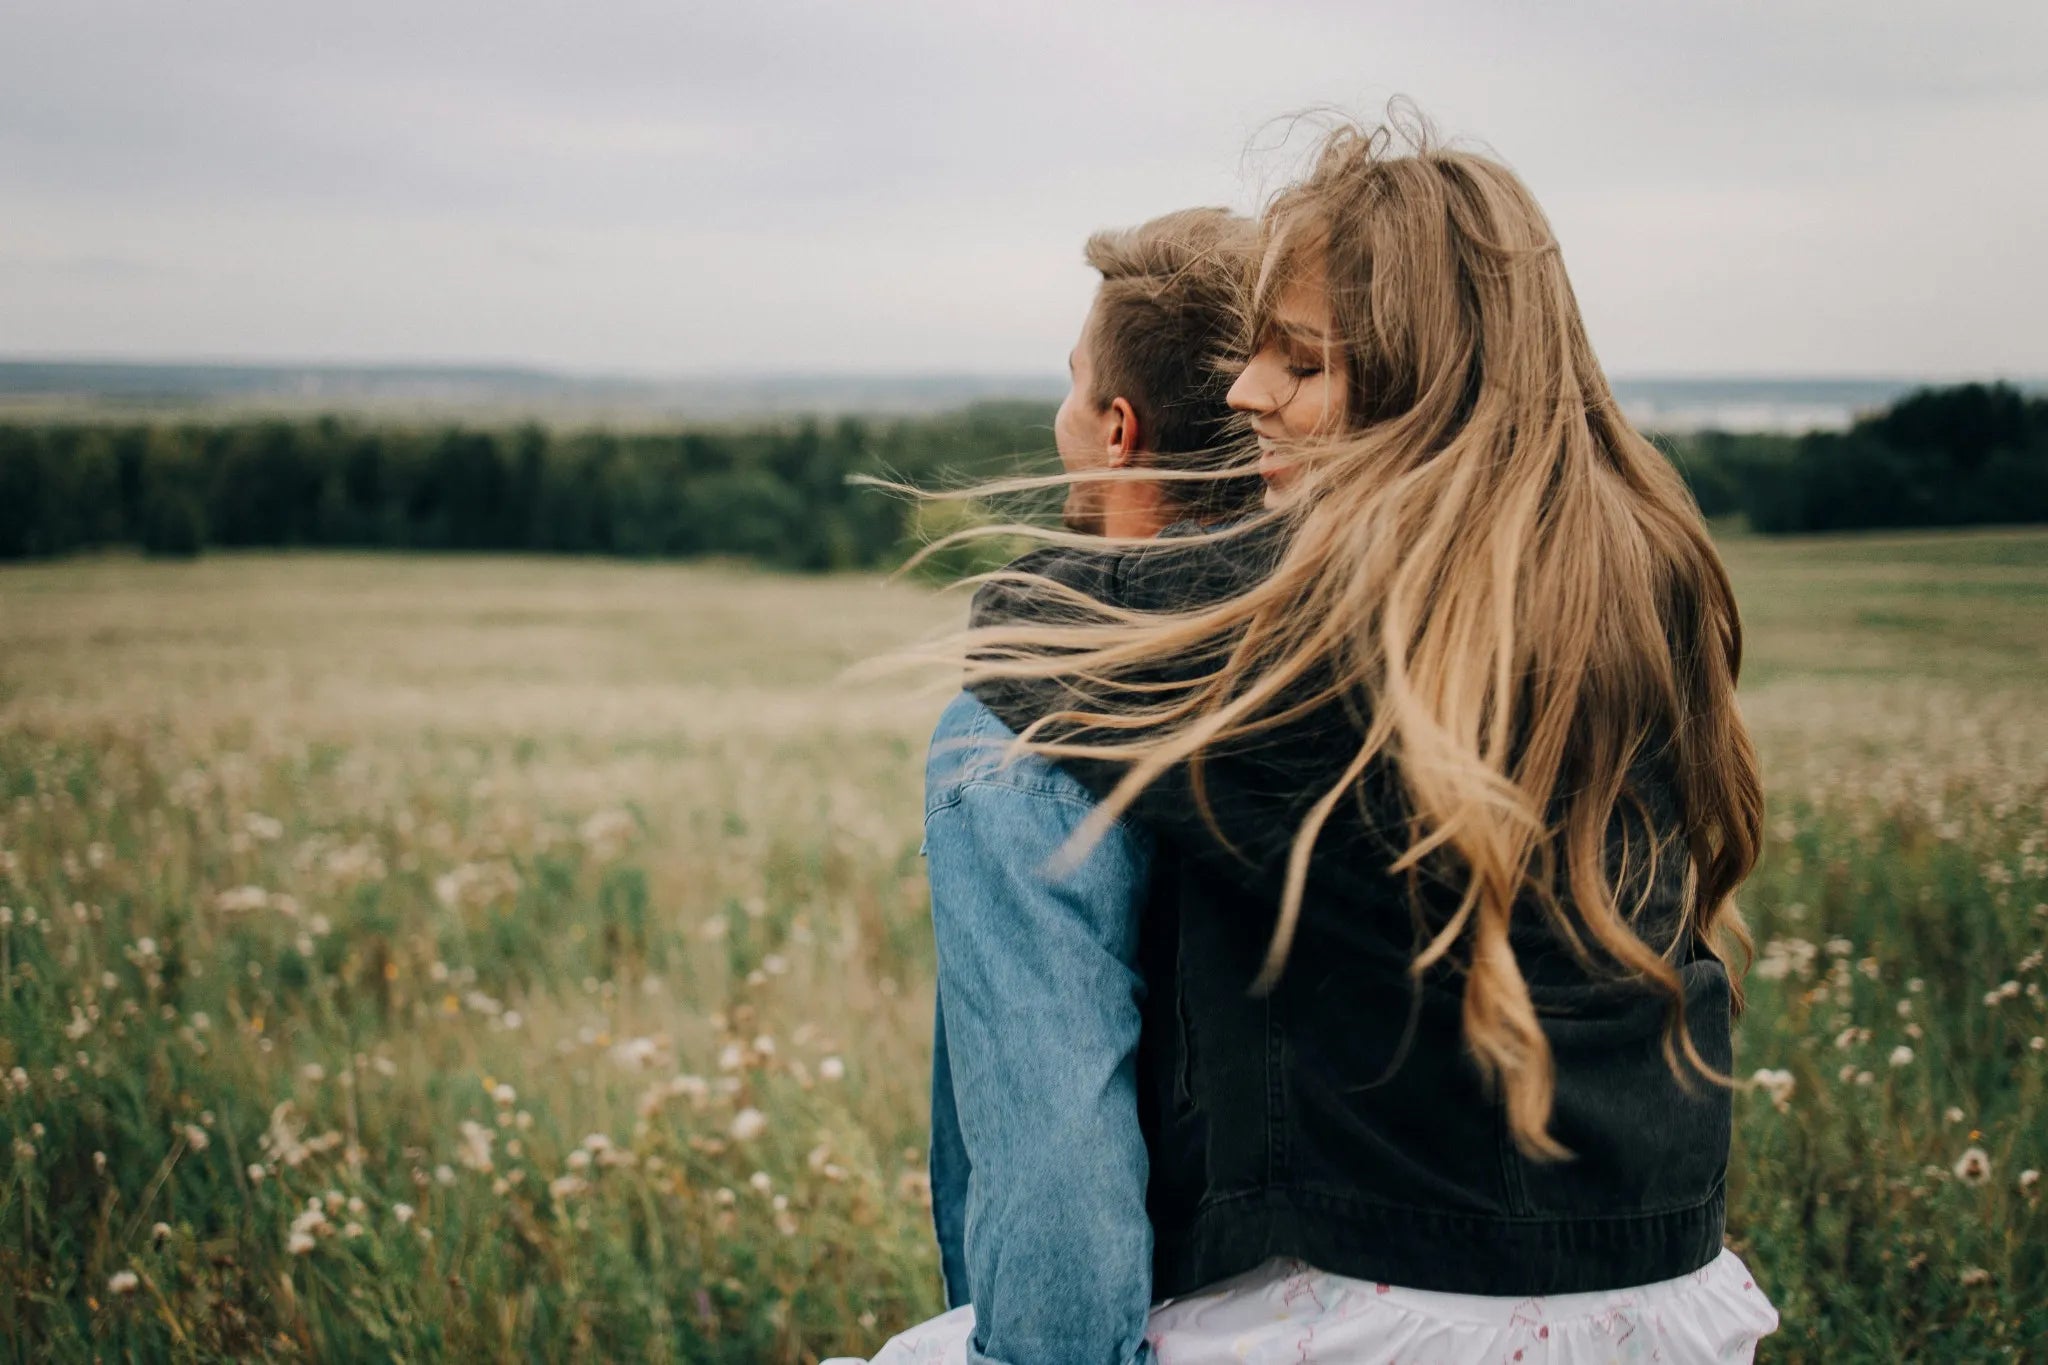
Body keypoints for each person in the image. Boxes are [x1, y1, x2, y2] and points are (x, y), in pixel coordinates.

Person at [849, 113, 1781, 1365]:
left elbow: (1037, 623)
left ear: (1416, 384)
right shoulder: (1632, 571)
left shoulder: (1310, 640)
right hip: (1666, 1289)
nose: (1247, 395)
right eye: (1248, 358)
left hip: (1409, 1305)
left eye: (1296, 364)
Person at [922, 205, 1263, 1356]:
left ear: (1117, 431)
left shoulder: (1018, 730)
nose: (1056, 417)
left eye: (1071, 388)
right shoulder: (1379, 670)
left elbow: (1052, 1155)